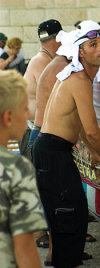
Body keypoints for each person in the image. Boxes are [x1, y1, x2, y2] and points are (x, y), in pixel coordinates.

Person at [32, 20, 100, 267]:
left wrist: (92, 151)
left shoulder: (78, 76)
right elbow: (91, 131)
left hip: (53, 149)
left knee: (71, 213)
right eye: (93, 44)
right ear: (81, 51)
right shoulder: (78, 79)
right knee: (69, 215)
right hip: (52, 150)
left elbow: (79, 124)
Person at [0, 70, 48, 268]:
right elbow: (25, 247)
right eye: (24, 108)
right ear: (9, 117)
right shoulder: (15, 168)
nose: (29, 114)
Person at [20, 19, 63, 160]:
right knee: (36, 177)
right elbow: (52, 94)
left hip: (35, 127)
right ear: (56, 38)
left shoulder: (45, 59)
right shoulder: (41, 61)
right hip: (31, 128)